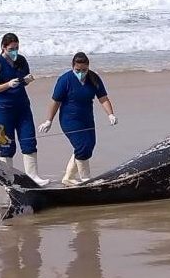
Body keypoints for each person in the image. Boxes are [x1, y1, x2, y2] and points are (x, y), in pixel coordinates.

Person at [38, 52, 117, 186]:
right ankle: (86, 178)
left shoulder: (94, 78)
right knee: (82, 146)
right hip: (70, 120)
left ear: (88, 67)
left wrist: (110, 114)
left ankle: (68, 177)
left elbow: (103, 98)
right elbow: (55, 102)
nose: (81, 73)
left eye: (84, 70)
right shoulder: (65, 80)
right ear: (72, 67)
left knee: (89, 146)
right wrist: (48, 121)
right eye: (78, 70)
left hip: (87, 119)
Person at [0, 33, 49, 186]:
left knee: (29, 140)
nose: (14, 51)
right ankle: (8, 180)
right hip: (3, 109)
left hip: (22, 107)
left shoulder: (21, 60)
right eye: (11, 48)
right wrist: (8, 84)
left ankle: (33, 177)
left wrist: (27, 80)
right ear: (3, 47)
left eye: (17, 48)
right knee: (6, 145)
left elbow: (24, 80)